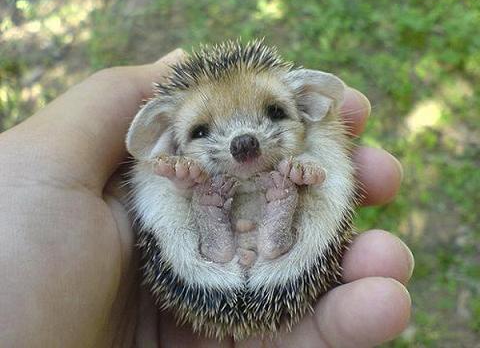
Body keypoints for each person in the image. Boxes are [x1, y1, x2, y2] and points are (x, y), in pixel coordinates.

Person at [0, 49, 413, 347]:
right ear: (166, 133)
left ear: (306, 103)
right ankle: (267, 221)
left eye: (272, 112)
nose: (243, 143)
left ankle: (233, 224)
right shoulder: (170, 153)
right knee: (164, 184)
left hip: (250, 248)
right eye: (200, 131)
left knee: (319, 172)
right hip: (231, 251)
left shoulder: (307, 133)